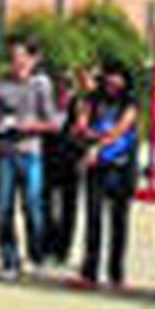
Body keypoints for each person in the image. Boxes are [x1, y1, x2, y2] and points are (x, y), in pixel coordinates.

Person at [0, 37, 56, 281]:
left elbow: (53, 122)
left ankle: (37, 255)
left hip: (30, 153)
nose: (18, 63)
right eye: (14, 58)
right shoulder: (0, 85)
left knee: (32, 207)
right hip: (5, 153)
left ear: (33, 59)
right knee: (4, 208)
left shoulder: (41, 86)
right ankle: (9, 260)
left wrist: (26, 125)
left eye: (22, 57)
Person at [71, 57, 139, 290]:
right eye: (109, 77)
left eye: (117, 77)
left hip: (121, 167)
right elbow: (81, 126)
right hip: (96, 168)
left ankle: (116, 273)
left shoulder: (130, 103)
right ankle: (89, 271)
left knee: (119, 222)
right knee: (93, 219)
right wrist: (92, 136)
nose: (112, 82)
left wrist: (98, 143)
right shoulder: (92, 100)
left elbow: (121, 130)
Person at [41, 65, 92, 267]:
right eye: (59, 86)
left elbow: (82, 128)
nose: (62, 91)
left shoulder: (78, 105)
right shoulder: (47, 107)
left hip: (71, 161)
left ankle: (63, 249)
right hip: (49, 159)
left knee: (68, 207)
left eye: (66, 86)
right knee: (46, 205)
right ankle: (47, 246)